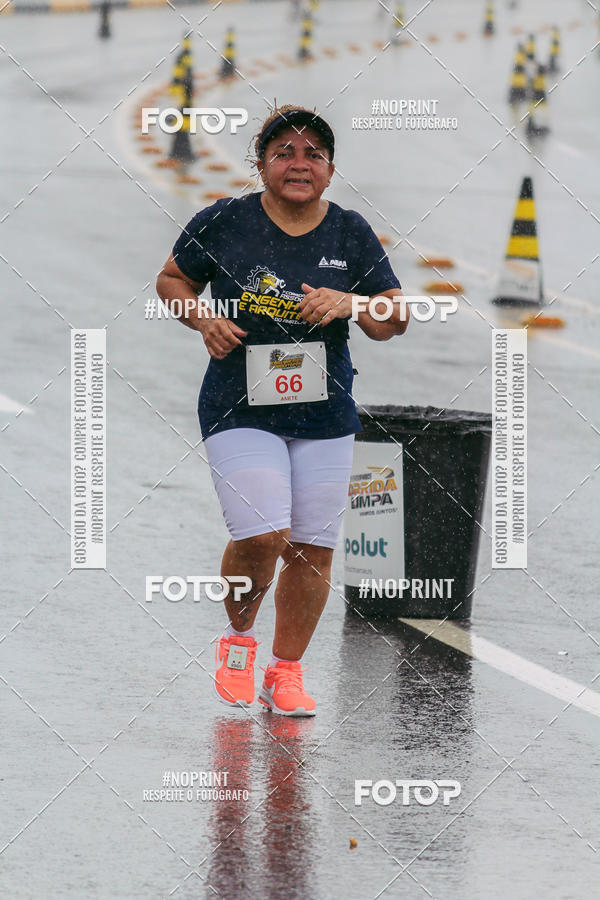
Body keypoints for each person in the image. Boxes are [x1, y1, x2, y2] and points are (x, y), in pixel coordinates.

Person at [156, 105, 408, 716]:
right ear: (262, 163)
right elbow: (171, 281)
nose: (300, 165)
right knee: (261, 534)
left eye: (313, 155)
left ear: (328, 168)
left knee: (312, 546)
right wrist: (204, 319)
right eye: (285, 154)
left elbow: (394, 317)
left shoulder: (349, 230)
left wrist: (350, 303)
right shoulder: (225, 222)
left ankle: (285, 672)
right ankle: (239, 643)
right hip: (238, 404)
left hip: (324, 413)